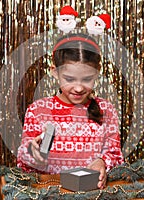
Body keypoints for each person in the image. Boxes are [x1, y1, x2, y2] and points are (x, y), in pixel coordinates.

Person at [17, 33, 124, 189]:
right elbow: (23, 163)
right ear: (55, 71)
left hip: (93, 195)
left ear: (97, 71)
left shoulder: (106, 110)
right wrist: (33, 154)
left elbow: (116, 157)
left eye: (87, 79)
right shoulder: (38, 110)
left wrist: (102, 162)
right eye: (69, 79)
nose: (79, 88)